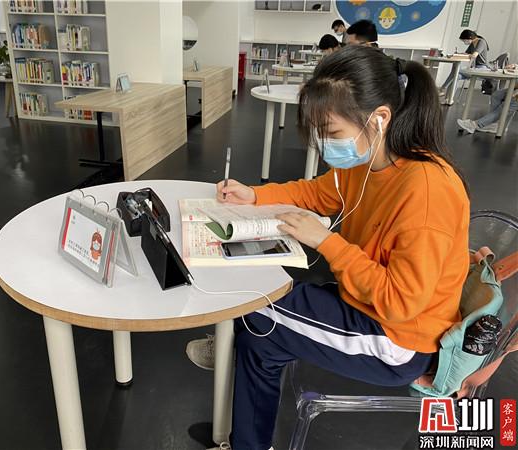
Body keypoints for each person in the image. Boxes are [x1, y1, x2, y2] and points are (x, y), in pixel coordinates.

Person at [194, 45, 470, 450]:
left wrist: (327, 242)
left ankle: (242, 412)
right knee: (260, 321)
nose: (324, 145)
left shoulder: (427, 192)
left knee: (256, 318)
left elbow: (401, 303)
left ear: (379, 118)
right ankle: (242, 412)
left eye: (332, 133)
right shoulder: (371, 160)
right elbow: (314, 193)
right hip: (366, 306)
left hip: (399, 340)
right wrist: (254, 195)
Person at [439, 29, 489, 96]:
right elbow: (466, 54)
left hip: (481, 68)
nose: (464, 42)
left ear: (469, 38)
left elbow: (474, 55)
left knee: (456, 70)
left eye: (464, 40)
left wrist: (468, 56)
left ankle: (443, 88)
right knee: (456, 76)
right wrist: (457, 54)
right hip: (474, 68)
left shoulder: (481, 42)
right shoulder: (472, 43)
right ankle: (448, 98)